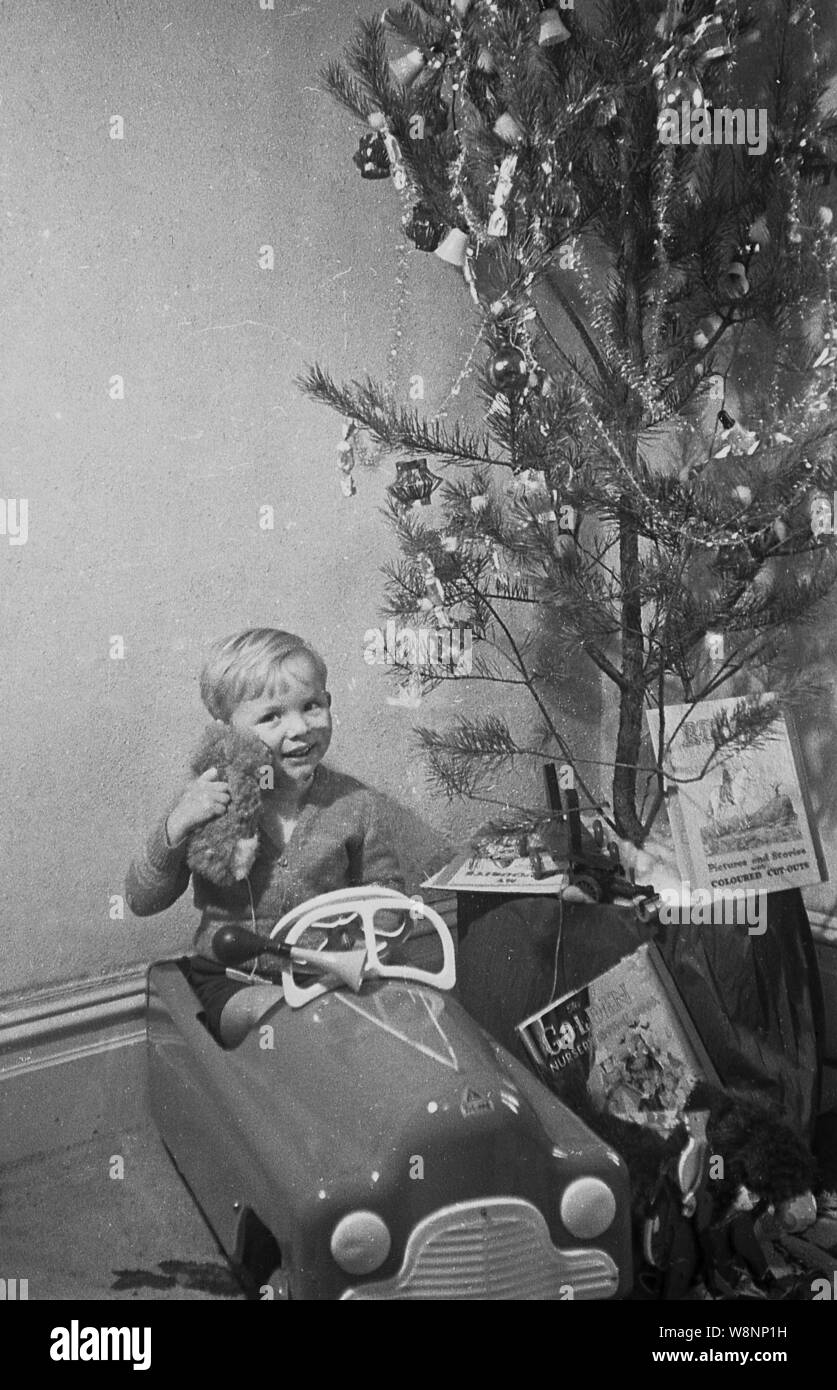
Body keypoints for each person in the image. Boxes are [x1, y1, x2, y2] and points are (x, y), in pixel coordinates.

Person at [126, 627, 404, 1046]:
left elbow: (387, 896)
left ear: (329, 704)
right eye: (271, 716)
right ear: (228, 730)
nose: (299, 728)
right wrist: (176, 826)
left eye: (311, 706)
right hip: (233, 981)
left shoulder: (356, 804)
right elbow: (142, 901)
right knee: (289, 1022)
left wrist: (362, 953)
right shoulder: (209, 797)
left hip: (327, 981)